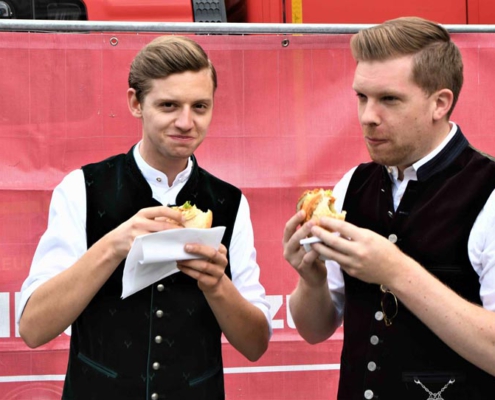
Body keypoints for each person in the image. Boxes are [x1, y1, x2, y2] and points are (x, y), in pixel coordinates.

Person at [17, 35, 271, 400]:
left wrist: (218, 286)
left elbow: (255, 345)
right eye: (168, 105)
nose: (186, 121)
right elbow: (33, 328)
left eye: (200, 106)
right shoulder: (82, 188)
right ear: (136, 103)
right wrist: (113, 245)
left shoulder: (230, 201)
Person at [283, 16, 495, 400]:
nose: (368, 116)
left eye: (389, 99)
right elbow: (314, 330)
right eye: (362, 97)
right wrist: (310, 279)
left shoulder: (489, 191)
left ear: (439, 103)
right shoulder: (352, 184)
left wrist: (396, 270)